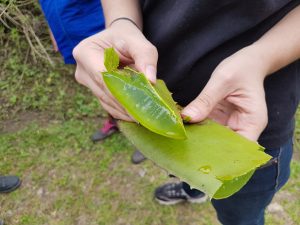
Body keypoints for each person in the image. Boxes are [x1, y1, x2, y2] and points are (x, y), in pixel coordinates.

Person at [73, 0, 300, 224]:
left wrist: (261, 59)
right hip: (163, 97)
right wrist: (122, 22)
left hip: (242, 120)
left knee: (240, 216)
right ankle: (192, 190)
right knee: (190, 172)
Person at [39, 0, 146, 164]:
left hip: (97, 28)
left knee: (125, 84)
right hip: (69, 34)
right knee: (96, 83)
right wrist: (53, 29)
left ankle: (144, 132)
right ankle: (115, 120)